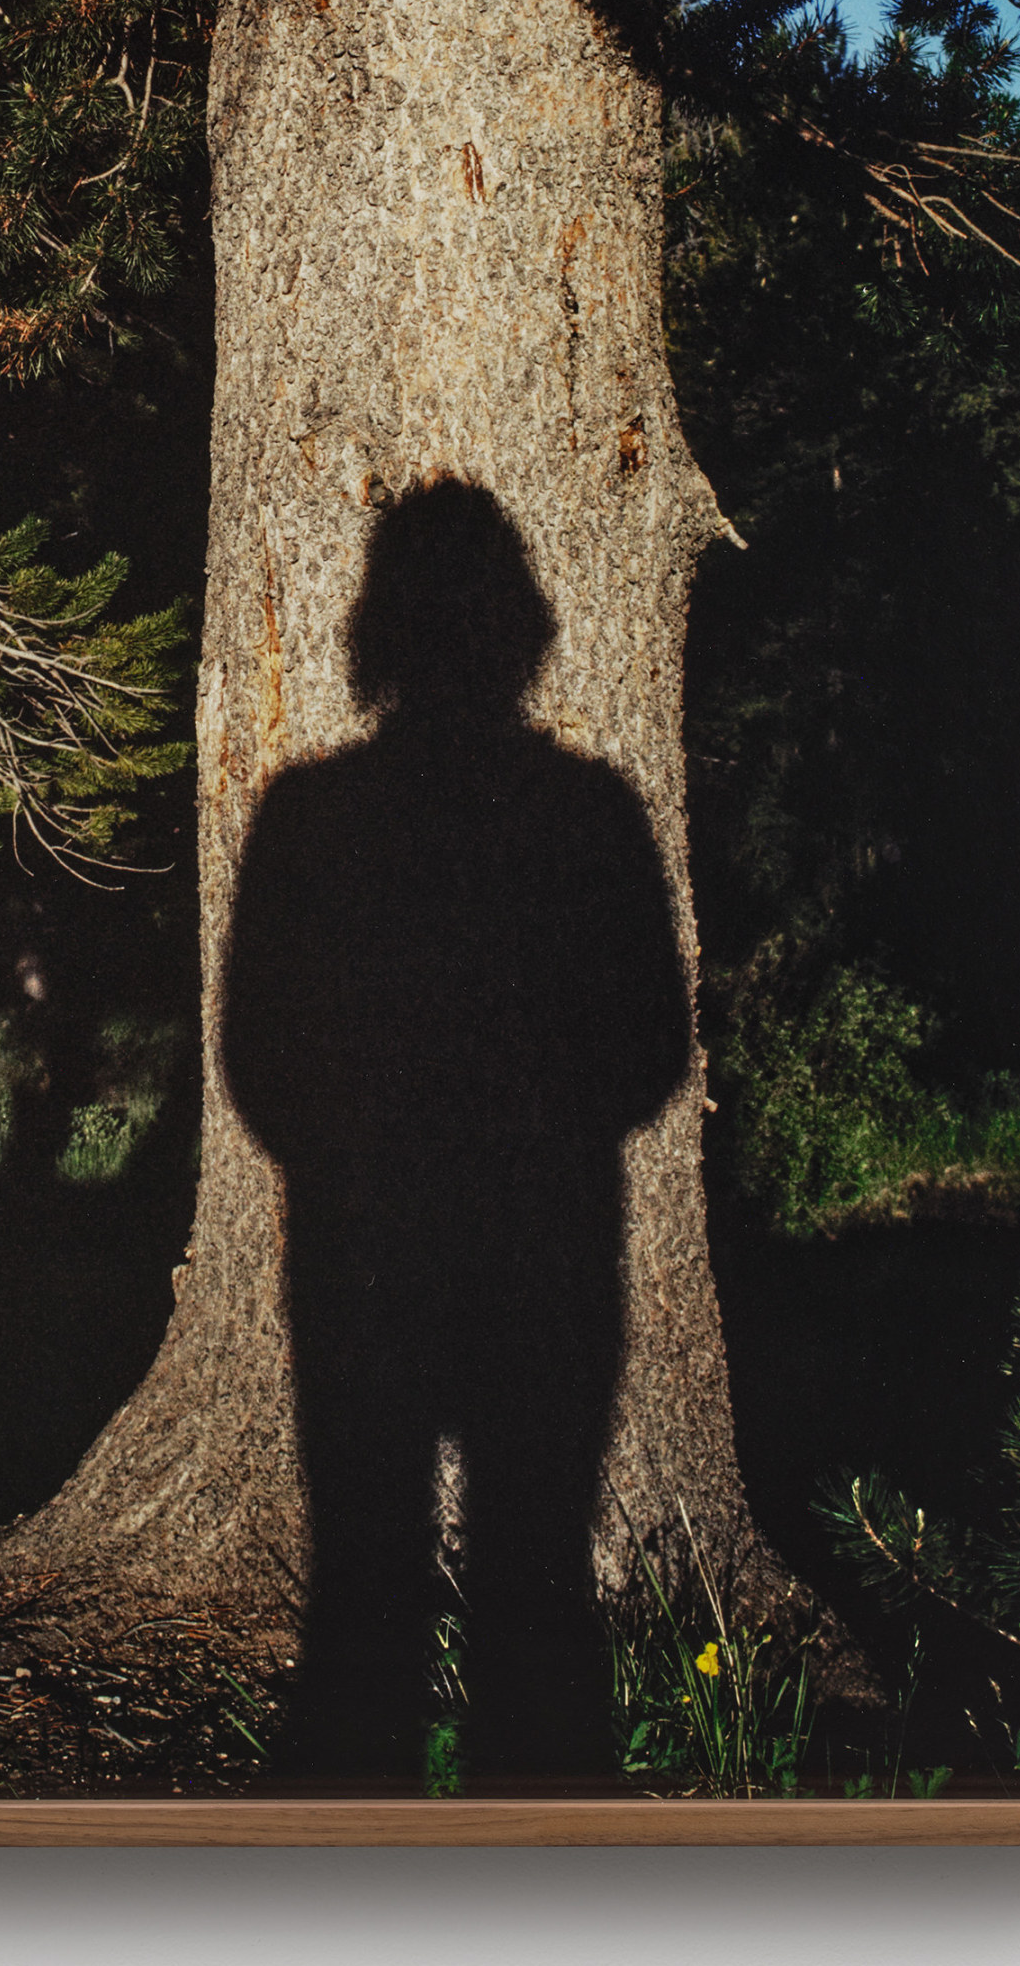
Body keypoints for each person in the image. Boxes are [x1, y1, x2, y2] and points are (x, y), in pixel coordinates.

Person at [224, 479, 689, 1782]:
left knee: (362, 1598)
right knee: (532, 1600)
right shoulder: (587, 814)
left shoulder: (308, 818)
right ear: (522, 628)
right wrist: (529, 1137)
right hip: (539, 1250)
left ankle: (340, 1924)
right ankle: (543, 1929)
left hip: (364, 1254)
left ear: (373, 630)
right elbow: (649, 1048)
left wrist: (363, 1152)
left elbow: (256, 1057)